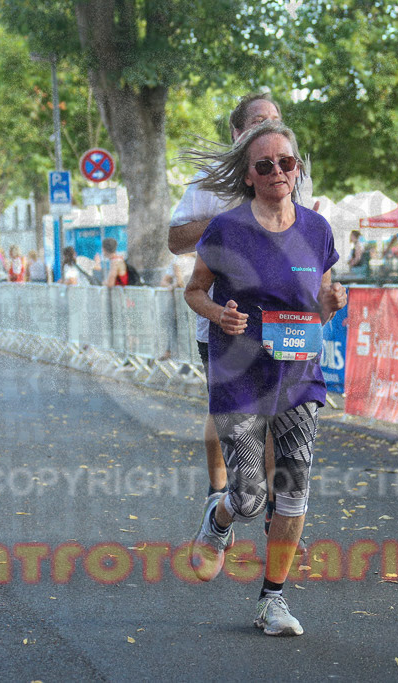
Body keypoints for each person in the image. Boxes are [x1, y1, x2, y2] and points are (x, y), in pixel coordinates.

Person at [184, 120, 346, 637]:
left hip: (299, 377)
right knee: (252, 498)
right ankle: (221, 518)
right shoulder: (226, 229)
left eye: (286, 162)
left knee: (292, 490)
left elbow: (318, 308)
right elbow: (194, 290)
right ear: (249, 175)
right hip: (240, 378)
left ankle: (272, 601)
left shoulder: (317, 230)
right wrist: (219, 314)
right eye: (265, 164)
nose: (278, 171)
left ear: (297, 169)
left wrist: (331, 303)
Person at [170, 92, 316, 545]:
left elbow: (305, 234)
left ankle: (275, 509)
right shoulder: (210, 181)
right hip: (225, 323)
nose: (266, 127)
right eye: (256, 121)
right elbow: (176, 240)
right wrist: (234, 219)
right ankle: (221, 496)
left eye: (274, 119)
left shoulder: (293, 170)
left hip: (284, 325)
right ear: (236, 132)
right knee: (230, 419)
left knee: (277, 421)